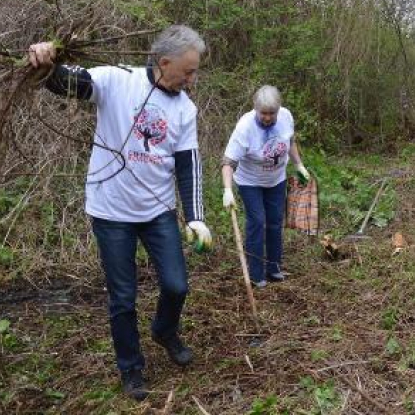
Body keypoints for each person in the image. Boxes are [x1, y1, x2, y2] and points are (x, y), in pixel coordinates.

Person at [27, 25, 213, 402]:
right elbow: (69, 83)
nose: (193, 79)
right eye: (189, 71)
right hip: (111, 212)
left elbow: (188, 164)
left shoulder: (185, 108)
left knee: (177, 285)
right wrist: (46, 62)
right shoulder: (117, 80)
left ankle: (164, 330)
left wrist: (195, 216)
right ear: (164, 63)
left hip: (158, 211)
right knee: (123, 297)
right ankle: (132, 368)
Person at [221, 86, 309, 287]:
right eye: (263, 113)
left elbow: (291, 141)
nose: (268, 117)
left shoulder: (286, 116)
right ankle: (256, 273)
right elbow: (228, 162)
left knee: (275, 222)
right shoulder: (245, 128)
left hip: (276, 180)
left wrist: (299, 165)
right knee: (257, 222)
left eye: (272, 113)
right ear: (255, 109)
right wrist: (227, 190)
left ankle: (274, 267)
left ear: (278, 109)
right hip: (250, 181)